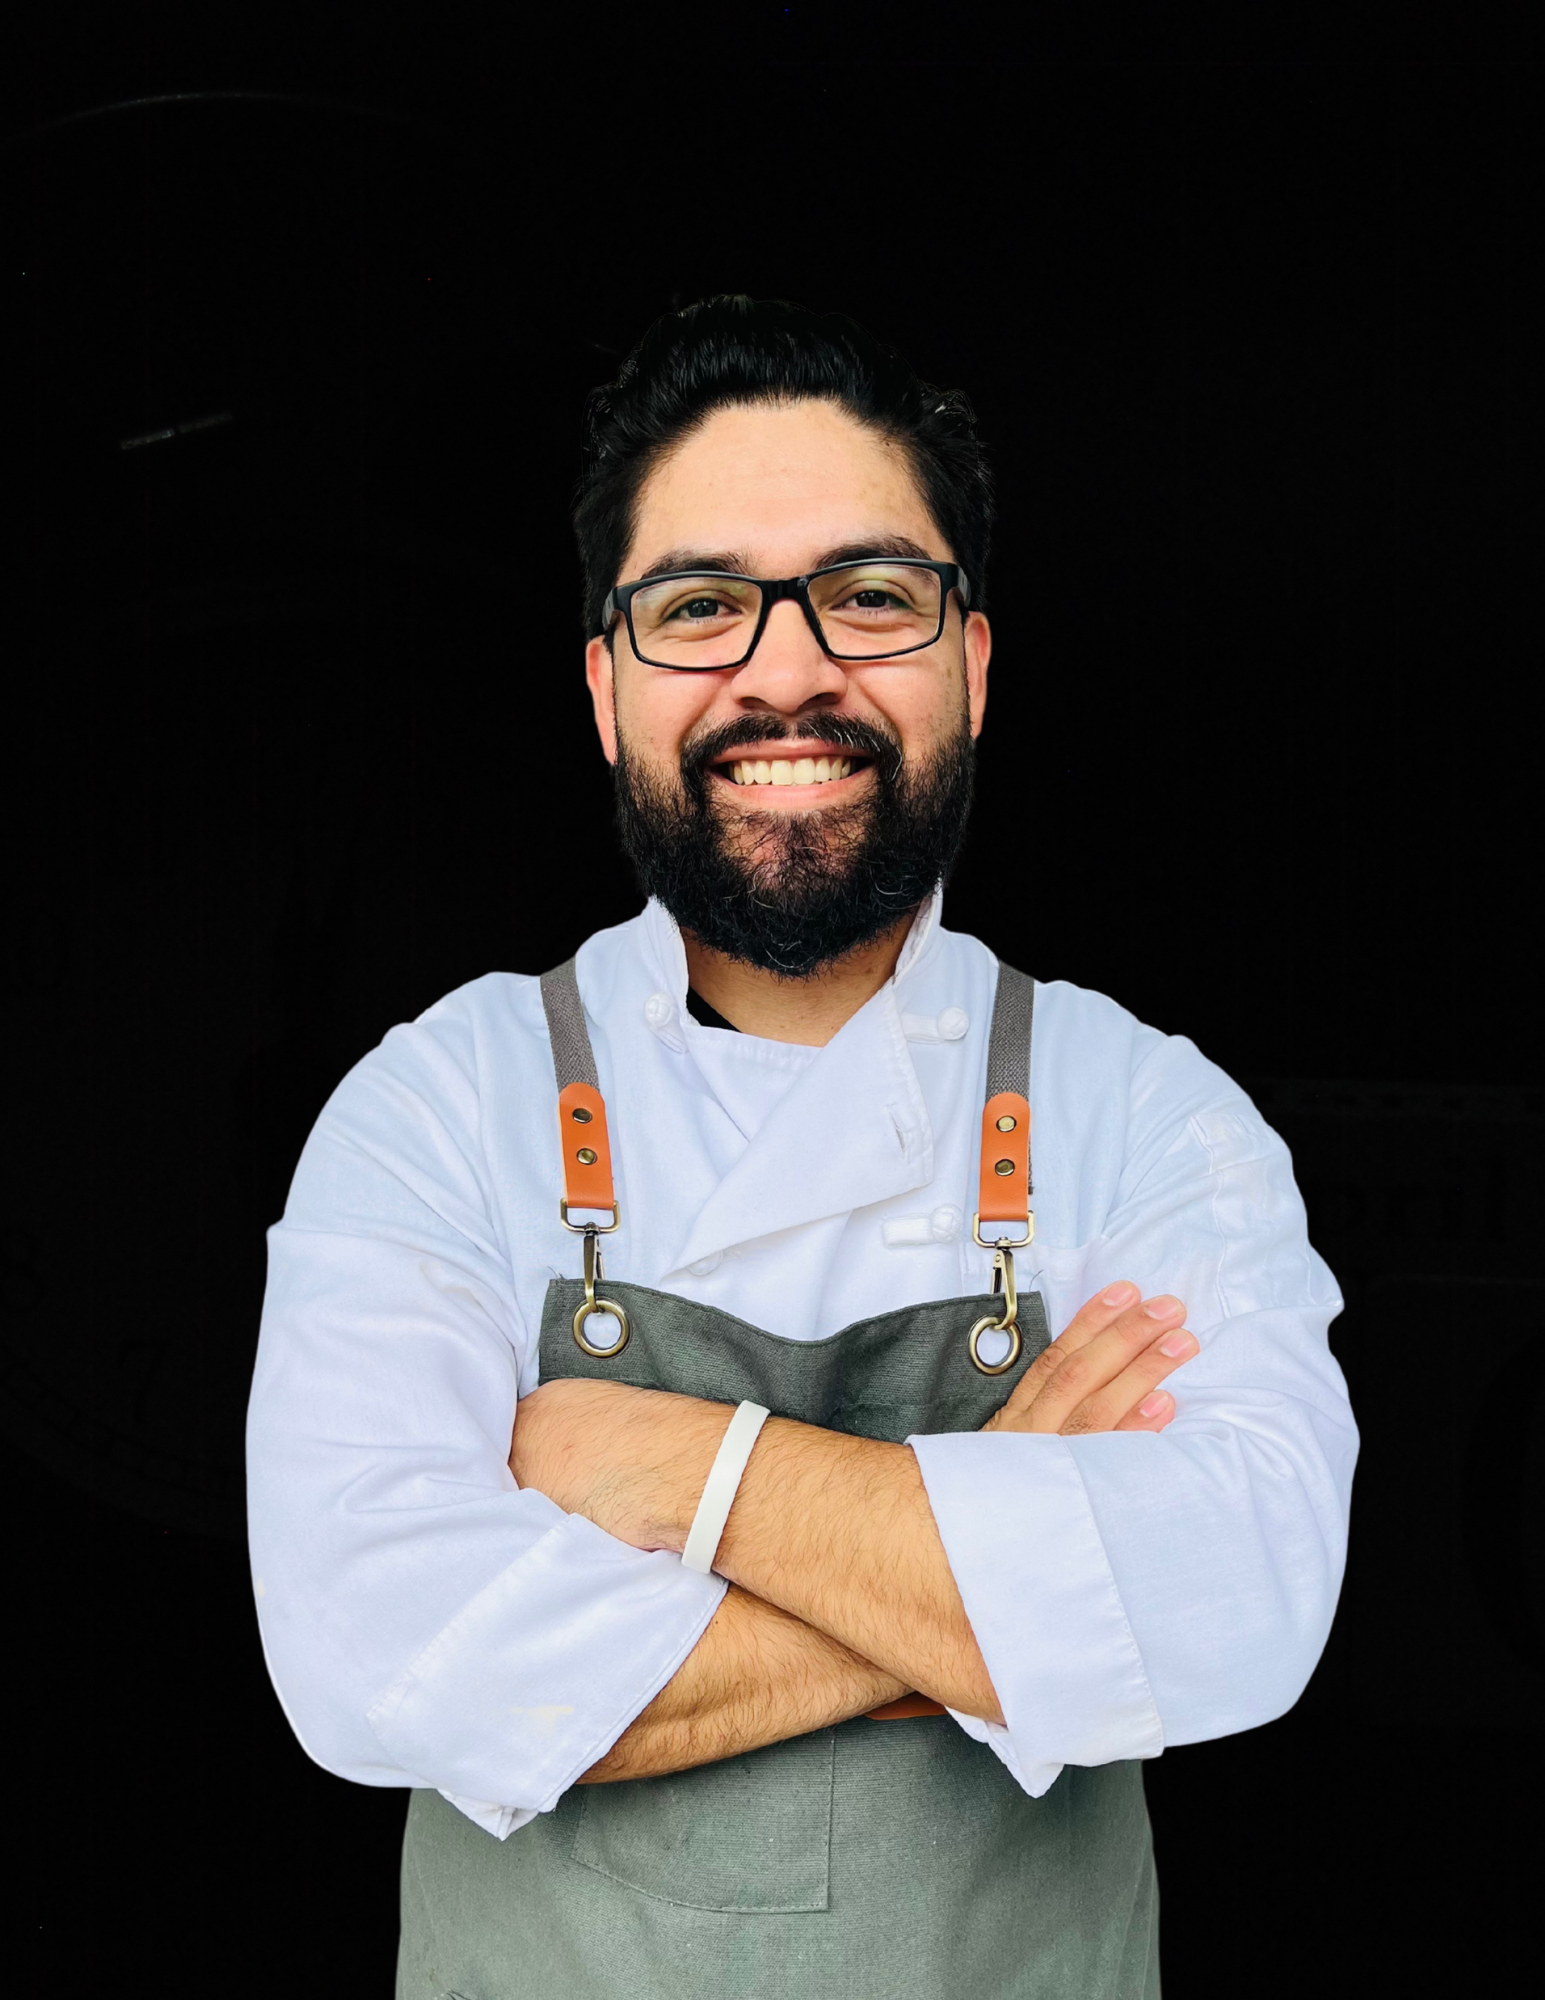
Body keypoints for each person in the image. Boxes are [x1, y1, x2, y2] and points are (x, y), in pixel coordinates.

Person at [246, 295, 1356, 1999]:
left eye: (869, 596)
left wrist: (682, 1475)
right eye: (701, 607)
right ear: (607, 687)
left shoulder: (1149, 1112)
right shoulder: (436, 1107)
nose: (786, 670)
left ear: (970, 665)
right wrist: (1007, 1570)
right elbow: (376, 1660)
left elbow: (1246, 1599)